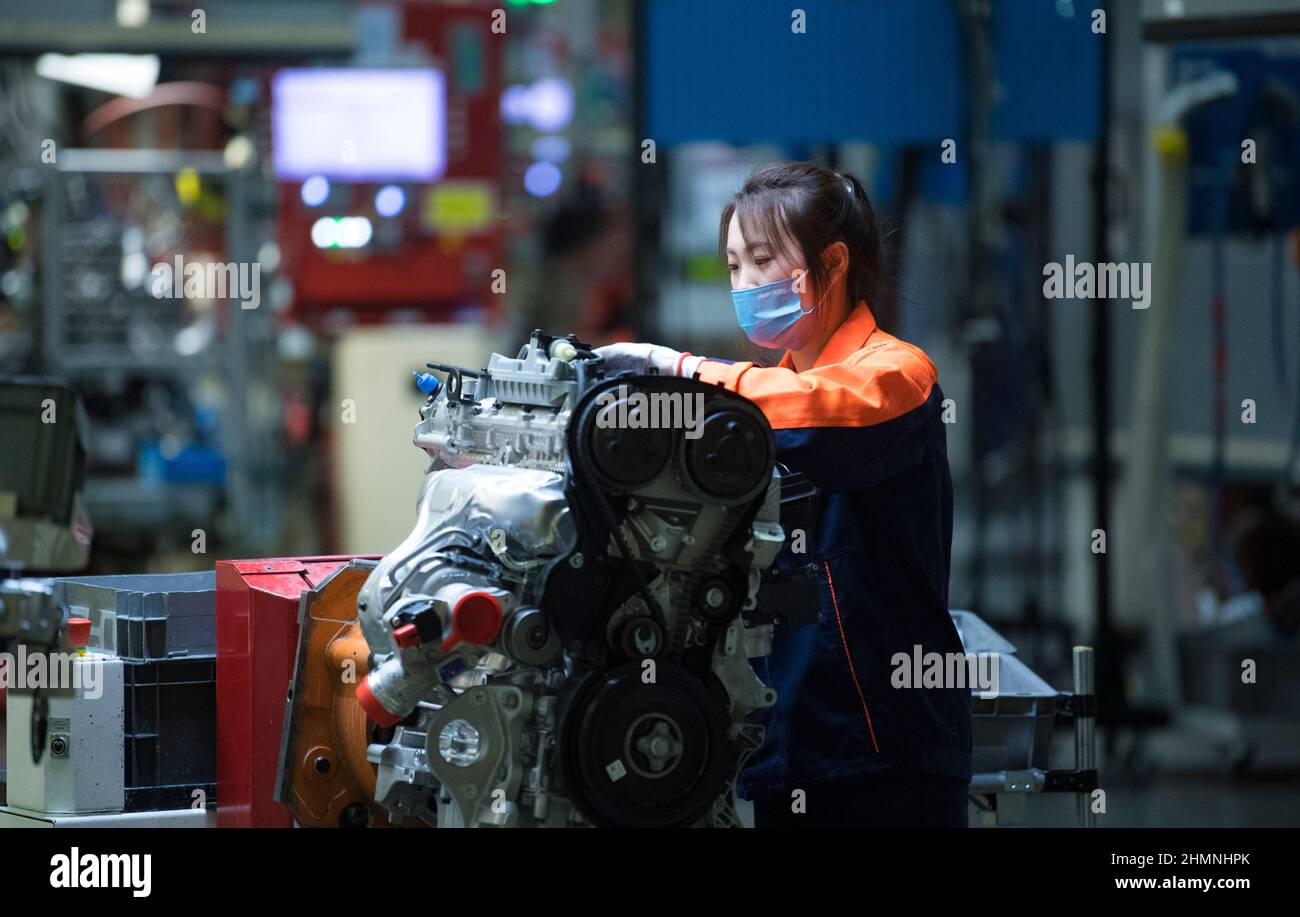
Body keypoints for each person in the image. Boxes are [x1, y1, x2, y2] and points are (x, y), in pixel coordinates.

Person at [595, 161, 972, 827]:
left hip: (884, 745)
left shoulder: (896, 374)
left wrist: (681, 371)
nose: (743, 284)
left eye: (761, 260)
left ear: (830, 264)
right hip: (788, 743)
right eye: (733, 266)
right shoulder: (767, 397)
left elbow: (819, 414)